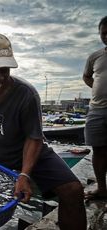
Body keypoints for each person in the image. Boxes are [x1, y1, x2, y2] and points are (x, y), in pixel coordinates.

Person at [0, 33, 86, 230]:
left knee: (73, 190)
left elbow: (34, 137)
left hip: (28, 152)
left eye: (4, 70)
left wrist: (24, 175)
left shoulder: (26, 94)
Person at [83, 16, 107, 200]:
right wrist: (98, 91)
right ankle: (102, 188)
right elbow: (87, 76)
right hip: (97, 110)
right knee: (98, 150)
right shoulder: (95, 56)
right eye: (104, 33)